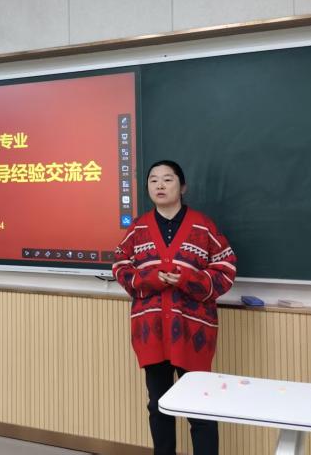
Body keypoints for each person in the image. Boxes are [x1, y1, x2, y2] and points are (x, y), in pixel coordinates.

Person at [112, 160, 236, 455]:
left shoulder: (203, 226)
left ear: (182, 187)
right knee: (158, 406)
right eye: (153, 180)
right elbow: (120, 265)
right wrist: (151, 278)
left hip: (194, 331)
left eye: (168, 179)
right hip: (151, 331)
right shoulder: (138, 228)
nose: (160, 185)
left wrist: (188, 279)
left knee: (200, 409)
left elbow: (226, 268)